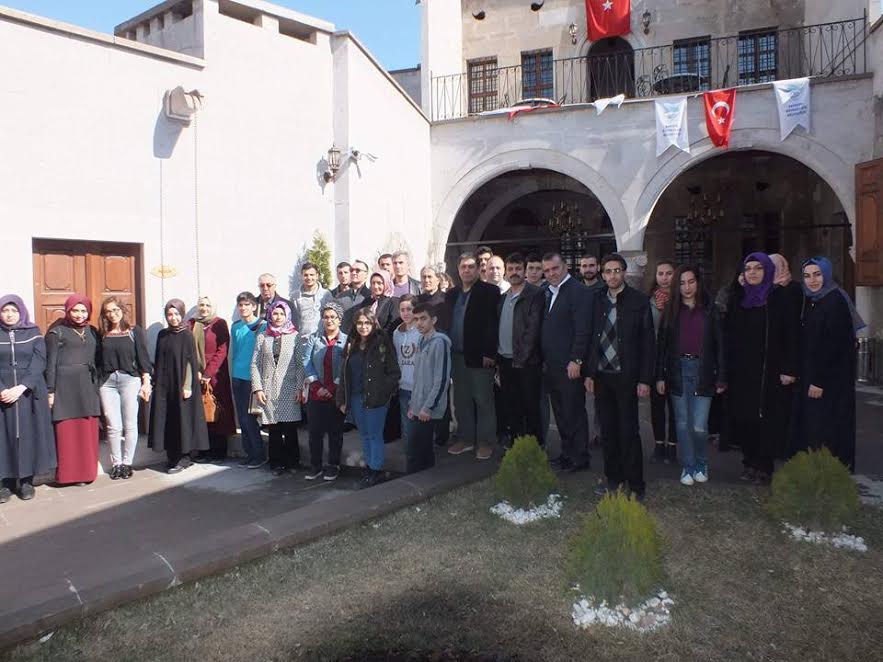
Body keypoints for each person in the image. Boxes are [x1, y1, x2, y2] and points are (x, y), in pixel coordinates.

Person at [585, 254, 655, 500]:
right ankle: (613, 479)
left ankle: (636, 484)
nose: (612, 275)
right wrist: (590, 373)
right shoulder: (596, 300)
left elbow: (648, 343)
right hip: (602, 376)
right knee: (608, 431)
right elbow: (590, 338)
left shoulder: (639, 301)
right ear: (602, 274)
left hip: (627, 376)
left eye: (617, 271)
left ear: (624, 273)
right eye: (608, 271)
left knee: (629, 431)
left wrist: (645, 379)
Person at [725, 253, 798, 485]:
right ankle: (748, 462)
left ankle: (764, 466)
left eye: (758, 268)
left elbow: (791, 336)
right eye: (748, 269)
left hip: (769, 371)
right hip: (743, 371)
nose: (753, 273)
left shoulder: (778, 298)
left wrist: (789, 368)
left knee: (766, 420)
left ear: (767, 272)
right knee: (744, 418)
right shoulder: (739, 299)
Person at [656, 266, 726, 486]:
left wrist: (722, 376)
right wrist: (659, 376)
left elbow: (720, 346)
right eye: (682, 283)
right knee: (683, 423)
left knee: (698, 425)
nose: (687, 287)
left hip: (703, 371)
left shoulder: (711, 310)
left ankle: (701, 462)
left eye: (691, 281)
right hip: (678, 370)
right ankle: (687, 466)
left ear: (698, 282)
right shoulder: (670, 311)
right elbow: (662, 347)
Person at [791, 257, 857, 471]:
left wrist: (819, 381)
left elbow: (834, 347)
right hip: (815, 376)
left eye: (817, 275)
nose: (812, 281)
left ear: (827, 275)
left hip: (829, 382)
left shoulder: (834, 301)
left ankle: (831, 476)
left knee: (828, 429)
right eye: (808, 276)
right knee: (815, 429)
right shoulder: (814, 301)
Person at [444, 252, 500, 460]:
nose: (466, 271)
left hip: (480, 356)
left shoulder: (489, 292)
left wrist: (489, 352)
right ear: (458, 270)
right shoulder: (452, 294)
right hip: (456, 355)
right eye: (463, 267)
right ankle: (466, 439)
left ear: (478, 269)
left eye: (470, 267)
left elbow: (493, 324)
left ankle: (486, 441)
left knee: (483, 400)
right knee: (461, 400)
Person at [0, 295, 56, 502]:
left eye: (13, 311)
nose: (9, 314)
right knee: (3, 437)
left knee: (27, 434)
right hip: (3, 393)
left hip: (28, 392)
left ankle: (26, 481)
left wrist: (22, 386)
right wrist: (3, 389)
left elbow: (40, 360)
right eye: (5, 310)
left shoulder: (33, 333)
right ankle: (4, 483)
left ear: (21, 312)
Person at [337, 309, 400, 488]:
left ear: (373, 324)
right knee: (364, 435)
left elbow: (394, 372)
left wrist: (383, 392)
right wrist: (341, 399)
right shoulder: (352, 343)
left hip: (376, 399)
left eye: (367, 323)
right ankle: (369, 467)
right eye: (360, 323)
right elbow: (343, 374)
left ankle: (376, 470)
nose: (363, 327)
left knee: (374, 435)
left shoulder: (382, 342)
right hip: (356, 397)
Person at [540, 253, 591, 470]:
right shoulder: (547, 292)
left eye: (555, 268)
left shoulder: (579, 292)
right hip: (551, 365)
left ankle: (580, 457)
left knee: (574, 412)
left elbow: (583, 330)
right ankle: (566, 453)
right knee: (560, 412)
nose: (551, 273)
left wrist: (576, 360)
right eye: (547, 270)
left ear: (565, 267)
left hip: (570, 365)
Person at [148, 299, 210, 474]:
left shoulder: (186, 334)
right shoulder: (163, 335)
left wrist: (187, 385)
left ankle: (184, 458)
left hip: (182, 384)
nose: (173, 318)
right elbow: (159, 359)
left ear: (182, 314)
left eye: (176, 314)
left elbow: (191, 362)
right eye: (169, 314)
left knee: (182, 419)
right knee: (168, 418)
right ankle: (171, 456)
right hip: (165, 386)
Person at [46, 294, 101, 486]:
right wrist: (50, 390)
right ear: (68, 311)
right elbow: (50, 363)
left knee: (86, 430)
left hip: (87, 386)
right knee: (67, 431)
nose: (79, 314)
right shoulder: (56, 332)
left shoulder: (93, 331)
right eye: (75, 310)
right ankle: (69, 475)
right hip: (64, 388)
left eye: (83, 310)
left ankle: (86, 473)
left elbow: (98, 359)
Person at [97, 296, 153, 480]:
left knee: (130, 424)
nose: (113, 314)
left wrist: (146, 381)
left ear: (122, 310)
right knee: (113, 425)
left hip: (130, 380)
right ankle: (117, 464)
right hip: (108, 382)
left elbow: (143, 358)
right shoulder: (102, 333)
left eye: (116, 310)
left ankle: (127, 463)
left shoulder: (133, 331)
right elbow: (97, 360)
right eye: (108, 311)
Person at [251, 300, 304, 476]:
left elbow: (300, 365)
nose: (278, 317)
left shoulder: (295, 336)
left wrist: (299, 388)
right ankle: (275, 463)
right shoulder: (262, 336)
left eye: (282, 314)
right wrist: (257, 388)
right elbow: (255, 365)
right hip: (268, 390)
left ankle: (292, 462)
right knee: (274, 429)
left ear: (287, 315)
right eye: (275, 313)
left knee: (289, 429)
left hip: (289, 388)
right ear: (270, 315)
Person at [497, 253, 543, 444]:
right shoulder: (502, 298)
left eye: (518, 269)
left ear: (524, 271)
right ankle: (515, 446)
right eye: (511, 269)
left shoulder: (535, 295)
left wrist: (521, 360)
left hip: (526, 363)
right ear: (506, 273)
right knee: (511, 407)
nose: (514, 273)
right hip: (505, 360)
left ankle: (534, 449)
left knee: (530, 408)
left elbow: (532, 331)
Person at [302, 302, 347, 481]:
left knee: (335, 432)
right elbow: (306, 362)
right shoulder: (315, 339)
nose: (329, 320)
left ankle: (333, 465)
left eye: (333, 317)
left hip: (336, 394)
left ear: (339, 320)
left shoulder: (346, 340)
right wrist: (317, 386)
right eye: (326, 317)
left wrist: (331, 388)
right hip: (316, 394)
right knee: (314, 432)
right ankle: (316, 466)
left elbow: (345, 366)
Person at [189, 296, 236, 462]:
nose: (204, 308)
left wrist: (209, 373)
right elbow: (189, 349)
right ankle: (203, 449)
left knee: (217, 412)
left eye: (208, 305)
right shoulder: (192, 324)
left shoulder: (219, 323)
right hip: (197, 373)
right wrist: (196, 371)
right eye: (201, 305)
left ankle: (218, 451)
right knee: (201, 413)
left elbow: (222, 350)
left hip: (216, 375)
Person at [406, 302, 451, 473]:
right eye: (416, 319)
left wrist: (427, 407)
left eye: (423, 319)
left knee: (417, 452)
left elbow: (442, 379)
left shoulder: (440, 343)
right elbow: (418, 378)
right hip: (418, 406)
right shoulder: (421, 340)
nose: (419, 323)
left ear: (434, 320)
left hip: (428, 409)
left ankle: (419, 486)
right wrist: (413, 405)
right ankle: (421, 482)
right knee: (418, 451)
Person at [768, 253, 805, 460]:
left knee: (786, 410)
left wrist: (789, 368)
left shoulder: (793, 290)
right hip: (771, 361)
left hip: (785, 363)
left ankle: (786, 450)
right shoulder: (768, 290)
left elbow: (792, 331)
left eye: (776, 266)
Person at [229, 292, 267, 468]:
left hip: (254, 378)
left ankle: (258, 455)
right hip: (238, 376)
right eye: (241, 305)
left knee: (251, 417)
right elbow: (235, 352)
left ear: (254, 306)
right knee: (242, 418)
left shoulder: (263, 325)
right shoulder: (236, 327)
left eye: (247, 304)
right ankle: (249, 453)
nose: (243, 308)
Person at [648, 259, 678, 464]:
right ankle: (659, 444)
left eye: (669, 273)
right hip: (654, 359)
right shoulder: (648, 301)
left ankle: (673, 447)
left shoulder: (681, 299)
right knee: (657, 405)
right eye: (661, 273)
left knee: (675, 406)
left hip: (676, 359)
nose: (665, 277)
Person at [393, 295, 420, 446]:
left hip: (419, 386)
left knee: (420, 423)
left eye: (409, 309)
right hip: (404, 385)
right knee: (406, 422)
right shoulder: (396, 333)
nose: (406, 313)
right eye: (402, 310)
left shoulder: (422, 331)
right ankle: (410, 452)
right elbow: (398, 358)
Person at [293, 262, 332, 337]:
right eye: (306, 275)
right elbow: (293, 319)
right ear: (302, 276)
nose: (309, 278)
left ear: (317, 276)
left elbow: (331, 317)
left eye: (312, 275)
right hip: (302, 339)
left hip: (321, 339)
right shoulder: (295, 296)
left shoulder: (326, 295)